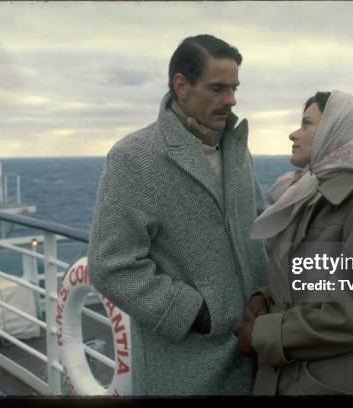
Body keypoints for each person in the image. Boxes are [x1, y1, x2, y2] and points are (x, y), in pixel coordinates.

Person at [87, 34, 268, 395]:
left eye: (234, 88)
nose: (231, 100)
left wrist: (263, 297)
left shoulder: (236, 152)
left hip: (255, 363)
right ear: (181, 86)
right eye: (217, 88)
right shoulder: (135, 158)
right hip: (186, 370)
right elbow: (110, 265)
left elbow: (260, 229)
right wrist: (199, 314)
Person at [234, 90, 353, 395]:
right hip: (285, 379)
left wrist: (262, 333)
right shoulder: (306, 197)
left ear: (335, 130)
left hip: (329, 384)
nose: (294, 133)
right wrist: (265, 295)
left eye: (306, 124)